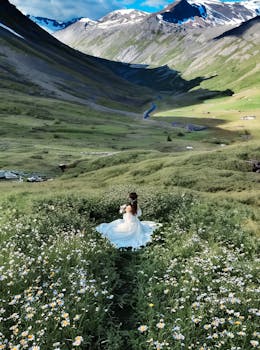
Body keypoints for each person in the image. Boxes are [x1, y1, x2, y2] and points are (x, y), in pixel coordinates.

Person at [96, 192, 160, 249]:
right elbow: (139, 214)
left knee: (115, 226)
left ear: (130, 198)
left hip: (128, 222)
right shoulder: (136, 206)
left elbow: (123, 213)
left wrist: (122, 209)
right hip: (136, 223)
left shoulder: (128, 207)